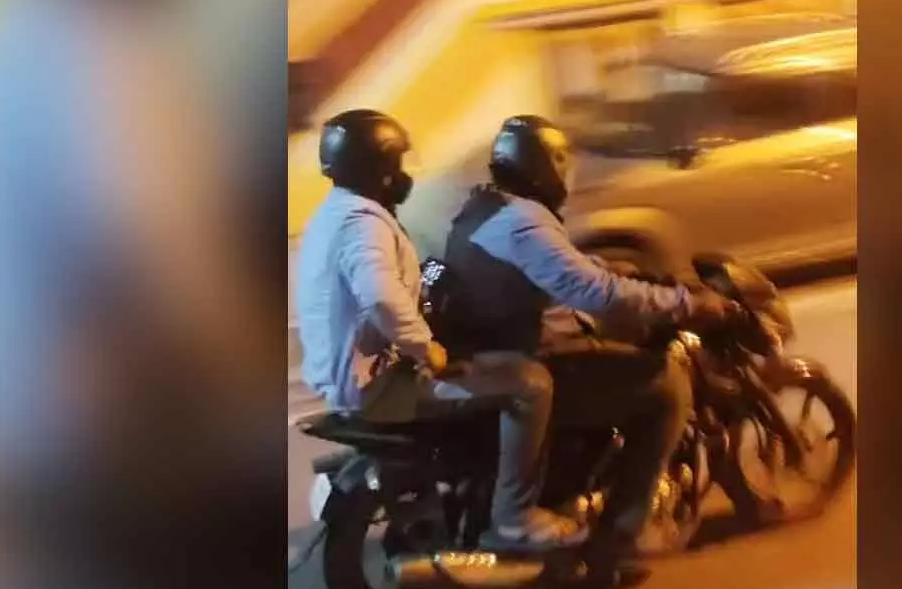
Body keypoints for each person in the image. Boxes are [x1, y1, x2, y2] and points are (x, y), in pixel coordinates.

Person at [295, 109, 586, 552]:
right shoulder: (363, 225)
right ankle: (515, 519)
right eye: (396, 164)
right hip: (379, 386)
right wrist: (424, 345)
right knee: (531, 385)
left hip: (349, 375)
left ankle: (482, 477)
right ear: (378, 169)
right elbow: (380, 296)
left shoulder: (333, 214)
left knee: (480, 369)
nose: (403, 175)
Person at [442, 114, 731, 559]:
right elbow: (594, 293)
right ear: (547, 165)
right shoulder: (524, 219)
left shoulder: (488, 206)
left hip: (495, 343)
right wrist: (687, 303)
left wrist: (617, 270)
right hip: (523, 355)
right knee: (667, 386)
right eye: (563, 163)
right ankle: (624, 532)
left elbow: (561, 269)